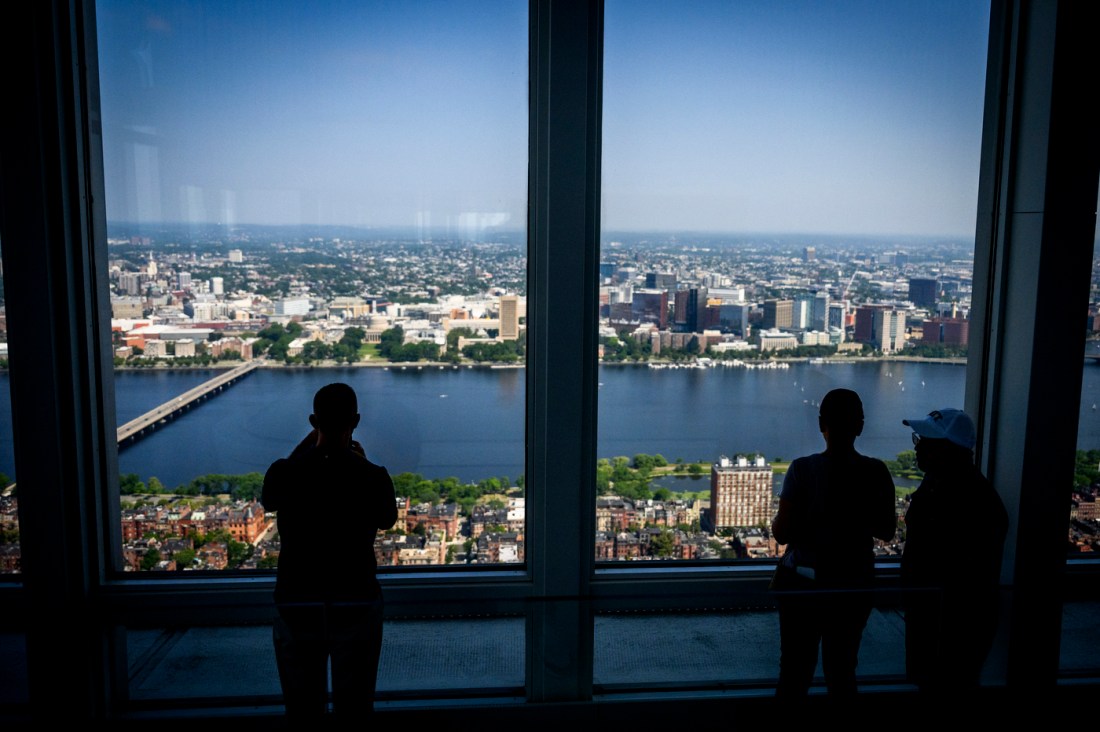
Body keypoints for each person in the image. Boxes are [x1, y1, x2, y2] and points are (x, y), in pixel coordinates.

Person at [262, 382, 398, 722]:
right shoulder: (373, 477)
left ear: (312, 421)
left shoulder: (286, 473)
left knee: (301, 708)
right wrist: (358, 459)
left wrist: (310, 444)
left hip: (297, 602)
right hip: (355, 601)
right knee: (355, 708)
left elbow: (270, 498)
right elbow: (387, 520)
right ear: (357, 420)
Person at [771, 388, 897, 700]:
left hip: (804, 583)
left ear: (820, 424)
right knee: (842, 670)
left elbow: (782, 533)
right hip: (854, 584)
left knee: (794, 671)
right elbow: (887, 531)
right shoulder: (876, 472)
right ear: (861, 426)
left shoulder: (802, 470)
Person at [901, 408, 1007, 696]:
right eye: (919, 438)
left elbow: (960, 575)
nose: (918, 446)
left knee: (950, 689)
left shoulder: (973, 501)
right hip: (933, 618)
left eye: (927, 440)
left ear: (951, 449)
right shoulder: (939, 484)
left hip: (952, 627)